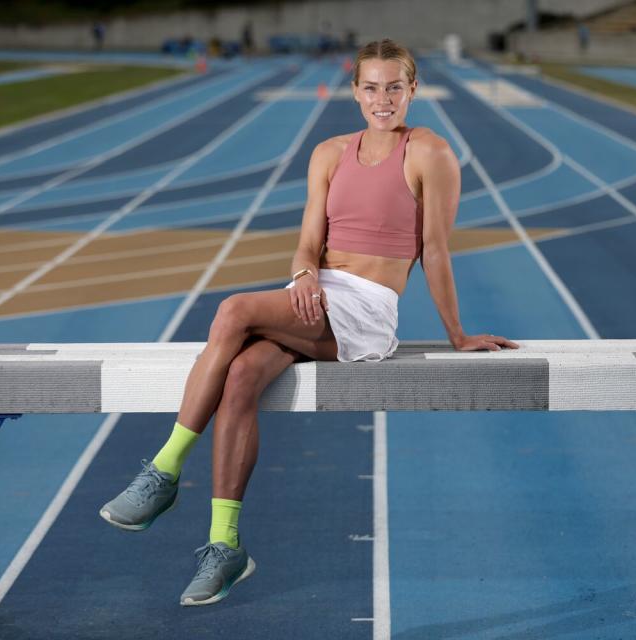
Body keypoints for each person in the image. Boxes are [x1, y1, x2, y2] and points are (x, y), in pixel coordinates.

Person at [98, 38, 518, 607]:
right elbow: (306, 245)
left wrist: (458, 336)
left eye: (395, 87)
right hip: (316, 300)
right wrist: (303, 278)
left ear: (413, 89)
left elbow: (436, 251)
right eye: (371, 87)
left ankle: (165, 469)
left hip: (368, 309)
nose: (383, 98)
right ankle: (225, 547)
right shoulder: (328, 153)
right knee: (243, 374)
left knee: (233, 310)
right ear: (355, 91)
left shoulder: (429, 153)